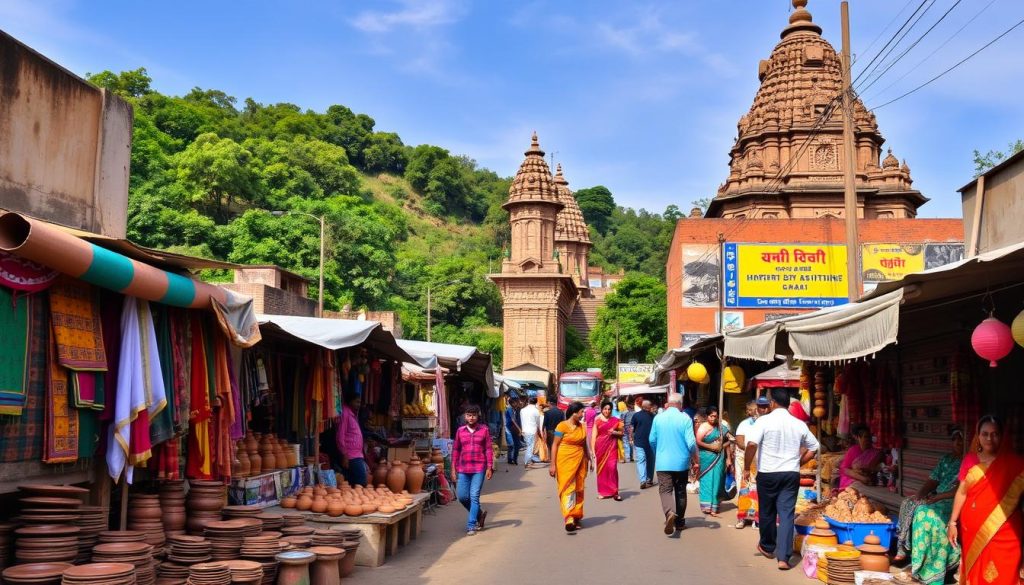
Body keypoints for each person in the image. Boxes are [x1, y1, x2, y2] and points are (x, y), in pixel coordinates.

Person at [744, 386, 819, 571]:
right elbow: (814, 446)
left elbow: (751, 444)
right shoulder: (799, 424)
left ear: (772, 403)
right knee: (786, 515)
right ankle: (783, 558)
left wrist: (746, 467)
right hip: (790, 474)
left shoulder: (764, 421)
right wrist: (798, 463)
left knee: (767, 511)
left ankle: (767, 546)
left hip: (768, 473)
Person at [947, 415, 1024, 585]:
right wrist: (952, 522)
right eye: (985, 434)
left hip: (1006, 531)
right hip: (973, 528)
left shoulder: (1015, 464)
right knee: (977, 571)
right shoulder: (970, 460)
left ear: (1002, 436)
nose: (990, 438)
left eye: (995, 434)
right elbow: (962, 492)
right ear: (978, 436)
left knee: (1005, 571)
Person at [894, 428, 963, 585]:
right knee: (909, 503)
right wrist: (920, 495)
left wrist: (938, 497)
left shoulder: (968, 462)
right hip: (938, 497)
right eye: (955, 439)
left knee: (925, 514)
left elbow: (961, 490)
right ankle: (906, 551)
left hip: (953, 500)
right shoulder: (947, 459)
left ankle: (930, 568)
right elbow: (933, 480)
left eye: (961, 439)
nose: (958, 442)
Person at [648, 394, 698, 535]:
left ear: (668, 403)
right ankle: (680, 522)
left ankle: (670, 512)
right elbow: (691, 443)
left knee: (665, 490)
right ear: (680, 404)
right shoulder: (685, 419)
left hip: (663, 462)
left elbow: (651, 440)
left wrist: (658, 452)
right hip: (681, 463)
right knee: (680, 491)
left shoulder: (658, 418)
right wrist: (695, 458)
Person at [550, 401, 593, 532]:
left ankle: (576, 516)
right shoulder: (562, 426)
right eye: (581, 412)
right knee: (567, 488)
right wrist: (552, 464)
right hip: (564, 460)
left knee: (579, 488)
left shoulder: (582, 427)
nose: (583, 415)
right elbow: (555, 445)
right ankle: (569, 517)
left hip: (580, 460)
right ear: (574, 413)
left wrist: (590, 459)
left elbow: (584, 444)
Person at [452, 405, 494, 536]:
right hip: (463, 468)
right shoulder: (460, 431)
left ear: (478, 416)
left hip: (479, 468)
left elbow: (488, 449)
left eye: (474, 415)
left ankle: (471, 525)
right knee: (462, 497)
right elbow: (456, 450)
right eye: (469, 415)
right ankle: (479, 514)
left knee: (474, 496)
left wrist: (490, 467)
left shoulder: (484, 430)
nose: (471, 418)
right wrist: (453, 468)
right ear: (465, 416)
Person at [734, 397, 769, 529]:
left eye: (756, 409)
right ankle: (743, 517)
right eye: (752, 409)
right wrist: (750, 451)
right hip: (746, 461)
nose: (754, 411)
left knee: (758, 490)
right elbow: (740, 441)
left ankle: (756, 518)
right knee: (744, 489)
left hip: (762, 462)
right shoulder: (744, 424)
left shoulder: (767, 423)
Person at [696, 405, 731, 516]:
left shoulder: (721, 428)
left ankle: (714, 506)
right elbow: (698, 441)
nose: (713, 418)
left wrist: (728, 457)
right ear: (707, 416)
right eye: (711, 416)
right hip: (706, 458)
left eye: (715, 416)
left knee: (717, 481)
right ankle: (706, 506)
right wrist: (711, 447)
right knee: (707, 480)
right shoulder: (703, 427)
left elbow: (730, 440)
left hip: (719, 458)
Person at [591, 400, 624, 500]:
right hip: (600, 447)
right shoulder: (597, 421)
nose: (607, 411)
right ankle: (603, 492)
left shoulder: (616, 420)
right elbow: (593, 437)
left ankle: (615, 492)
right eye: (605, 409)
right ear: (602, 410)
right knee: (602, 470)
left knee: (612, 468)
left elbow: (622, 433)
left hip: (612, 447)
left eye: (609, 409)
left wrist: (614, 432)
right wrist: (592, 451)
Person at [838, 423, 884, 490]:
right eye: (865, 437)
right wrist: (861, 478)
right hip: (853, 478)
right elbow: (844, 469)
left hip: (869, 479)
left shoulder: (876, 453)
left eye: (869, 437)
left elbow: (878, 469)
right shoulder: (853, 450)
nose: (868, 439)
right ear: (858, 438)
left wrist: (868, 473)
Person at [336, 394, 368, 486]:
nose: (359, 404)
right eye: (357, 402)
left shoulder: (352, 414)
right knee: (361, 482)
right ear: (350, 401)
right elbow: (340, 435)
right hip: (351, 455)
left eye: (360, 402)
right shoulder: (345, 413)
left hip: (356, 455)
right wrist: (344, 455)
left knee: (353, 483)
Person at [632, 400, 656, 488]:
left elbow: (632, 428)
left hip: (639, 441)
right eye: (651, 406)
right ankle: (649, 479)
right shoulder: (653, 416)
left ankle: (643, 480)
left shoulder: (636, 415)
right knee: (650, 461)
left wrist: (631, 438)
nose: (652, 408)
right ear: (648, 407)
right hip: (650, 442)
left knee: (641, 461)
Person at [520, 397, 544, 469]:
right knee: (530, 447)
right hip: (532, 431)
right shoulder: (536, 411)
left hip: (524, 430)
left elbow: (521, 420)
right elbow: (538, 423)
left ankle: (528, 461)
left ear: (528, 401)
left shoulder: (522, 410)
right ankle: (527, 462)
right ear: (536, 403)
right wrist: (540, 431)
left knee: (529, 446)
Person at [504, 398, 523, 466]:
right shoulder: (509, 409)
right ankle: (510, 459)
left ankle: (514, 459)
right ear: (512, 403)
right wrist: (519, 429)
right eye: (516, 402)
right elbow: (513, 420)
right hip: (509, 428)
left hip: (514, 429)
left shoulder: (517, 410)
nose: (517, 404)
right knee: (511, 444)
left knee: (516, 445)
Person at [622, 398, 636, 463]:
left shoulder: (624, 412)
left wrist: (622, 429)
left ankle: (627, 458)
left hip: (626, 429)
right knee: (631, 443)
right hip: (633, 429)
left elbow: (622, 421)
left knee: (626, 443)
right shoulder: (635, 413)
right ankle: (631, 457)